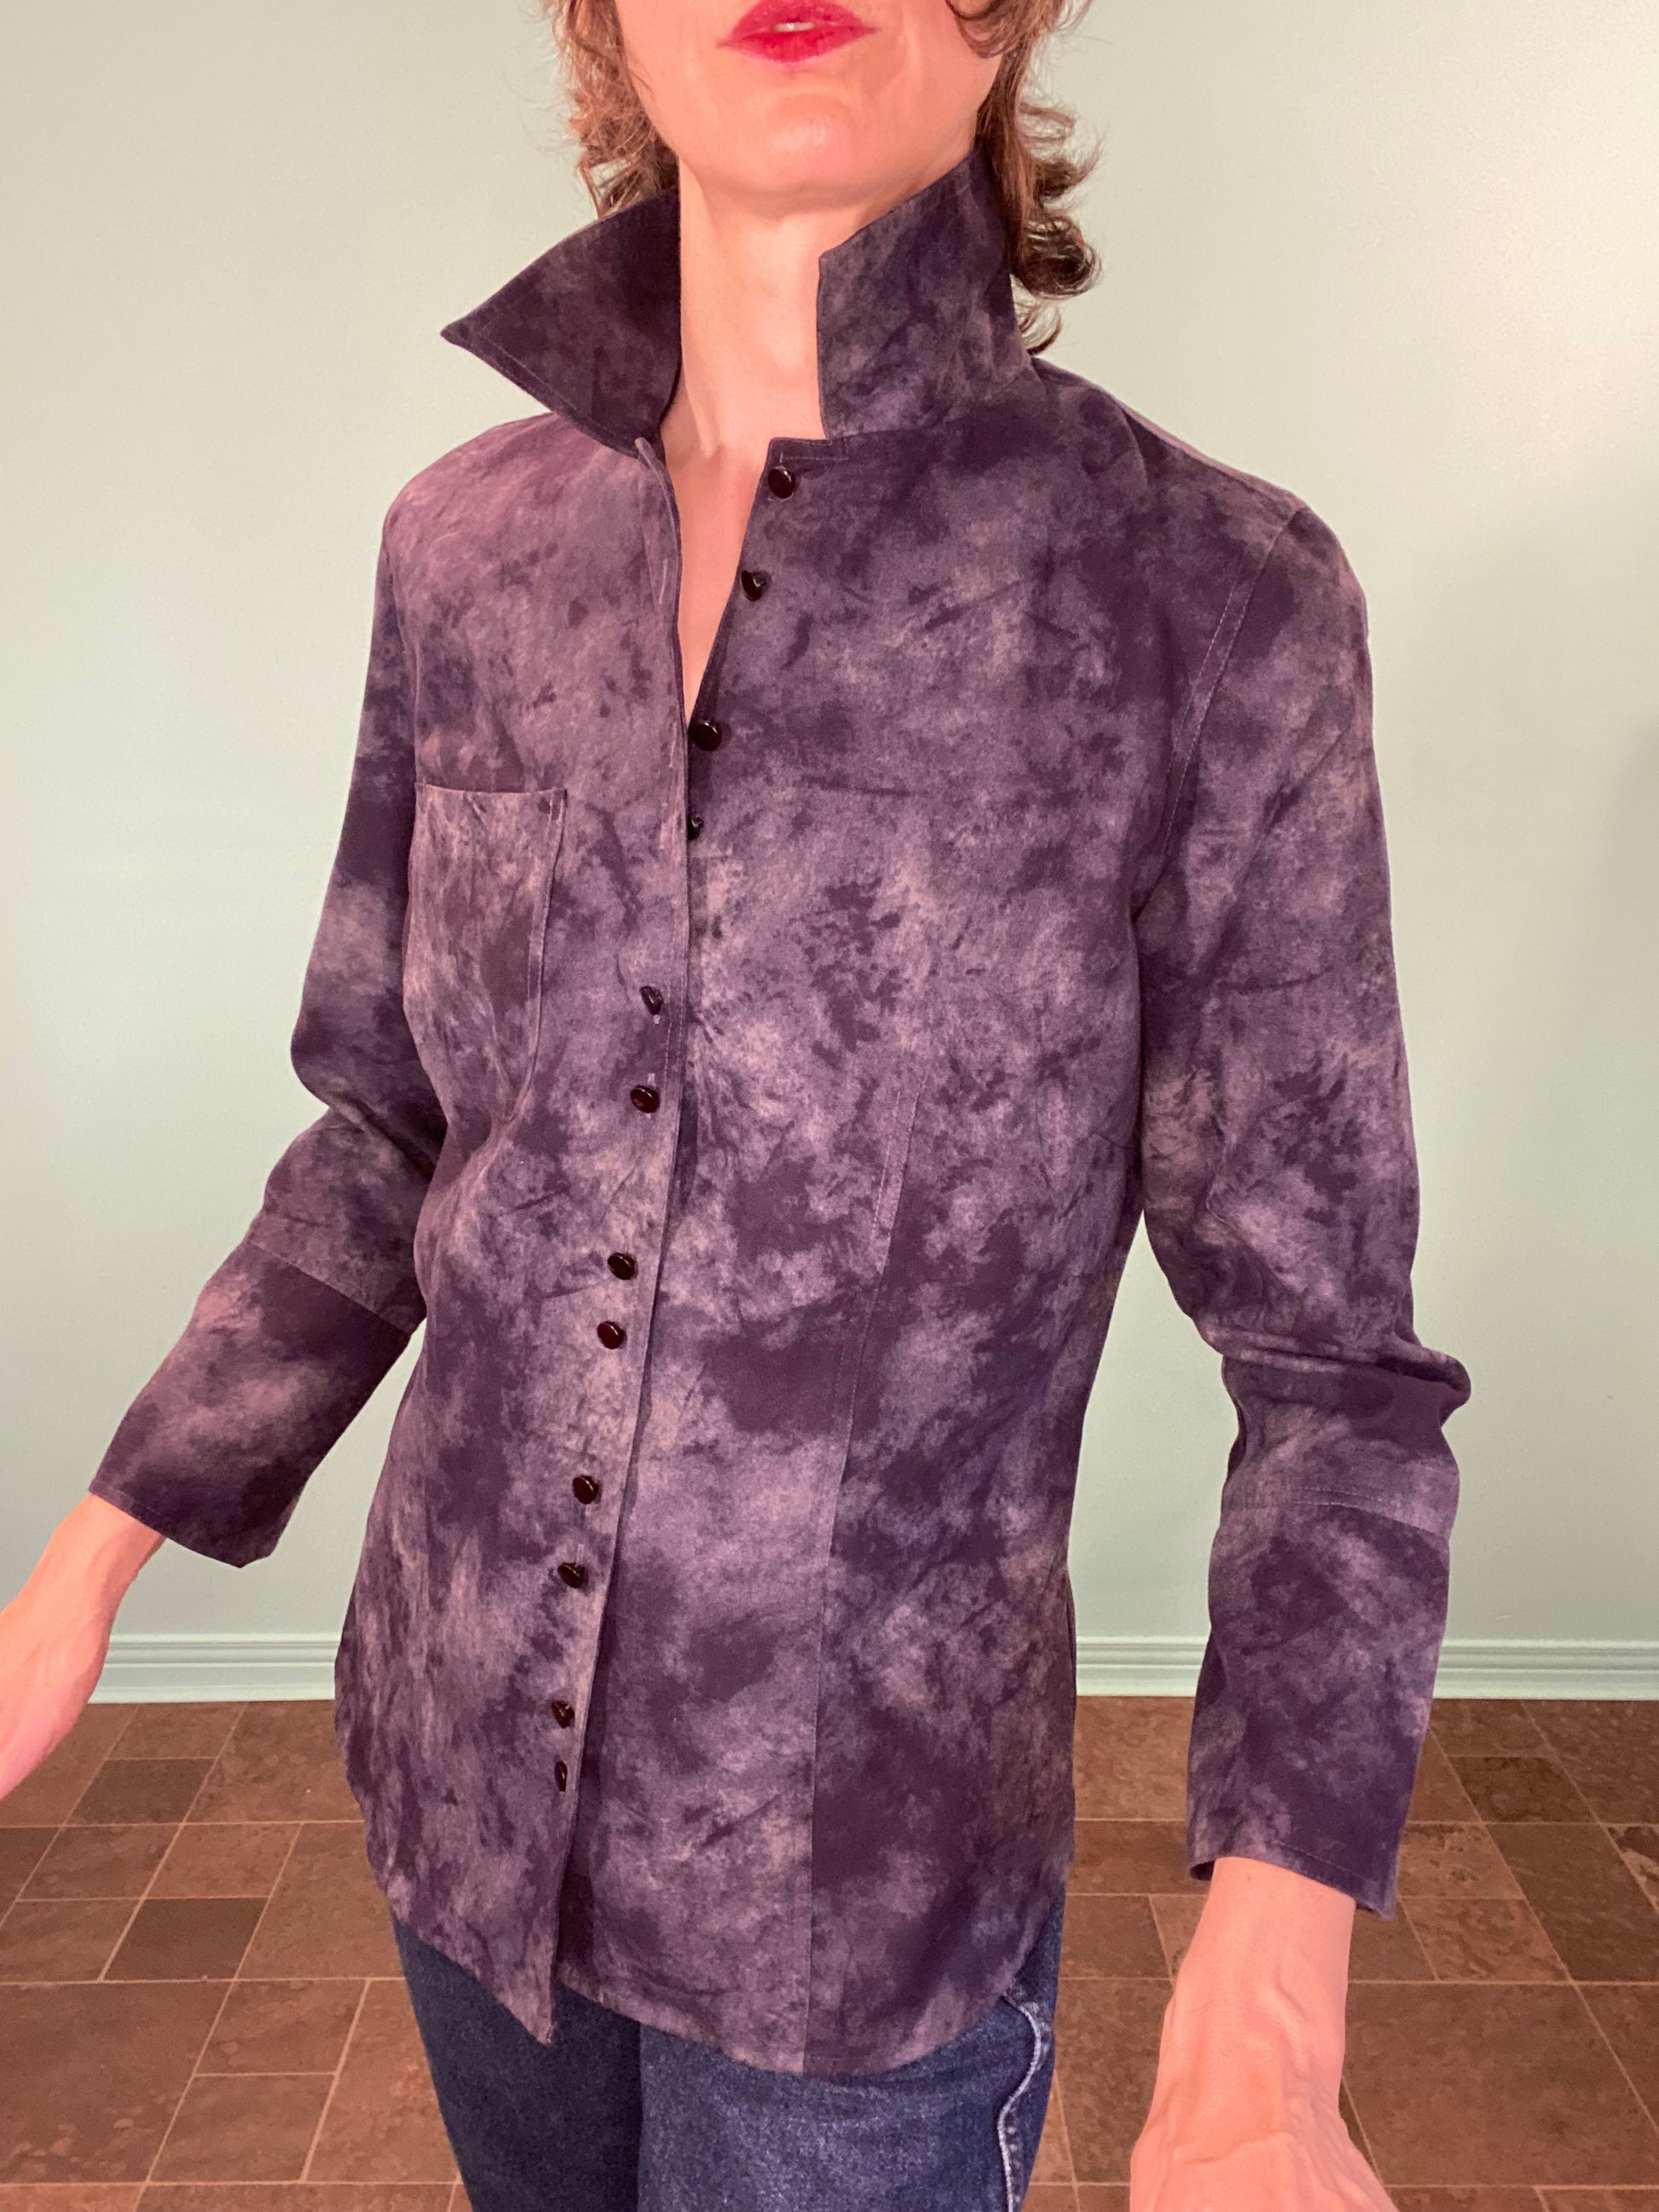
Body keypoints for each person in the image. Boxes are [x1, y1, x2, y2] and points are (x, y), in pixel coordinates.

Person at [0, 1, 1471, 2205]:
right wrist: (81, 1564)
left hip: (859, 1892)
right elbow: (387, 1137)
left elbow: (1334, 1373)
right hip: (456, 1780)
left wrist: (1270, 1990)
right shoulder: (462, 549)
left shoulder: (1209, 599)